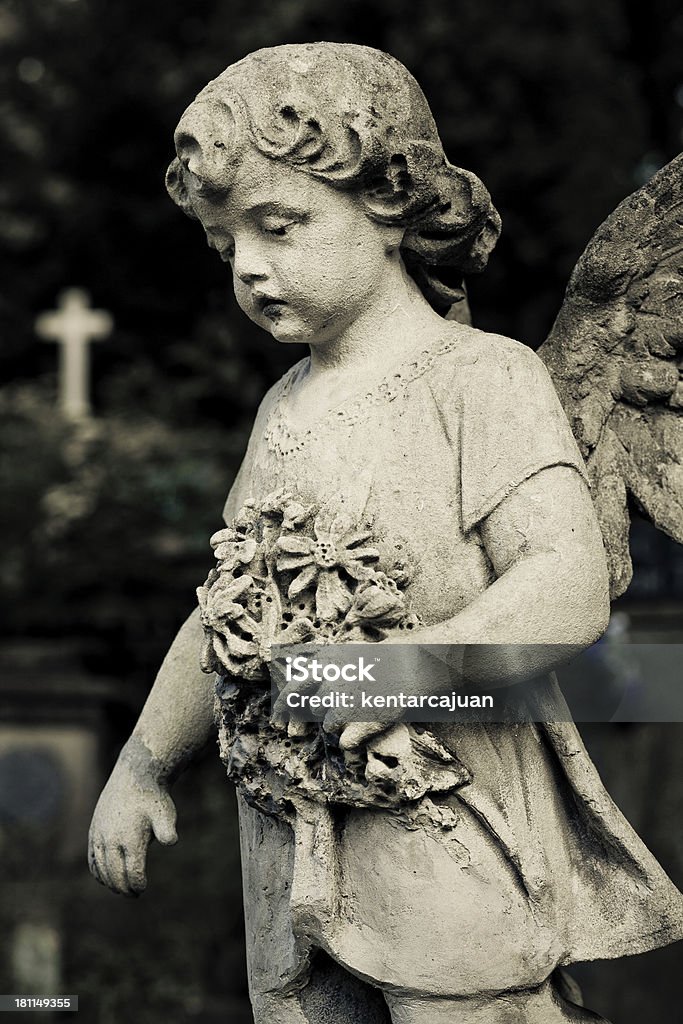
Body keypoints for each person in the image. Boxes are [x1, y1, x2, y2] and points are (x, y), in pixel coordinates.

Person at [88, 44, 683, 1024]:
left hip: (439, 813)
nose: (247, 265)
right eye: (225, 241)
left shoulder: (479, 378)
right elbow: (225, 611)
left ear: (391, 206)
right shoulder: (282, 408)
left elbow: (565, 582)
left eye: (278, 225)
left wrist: (386, 673)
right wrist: (143, 765)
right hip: (286, 833)